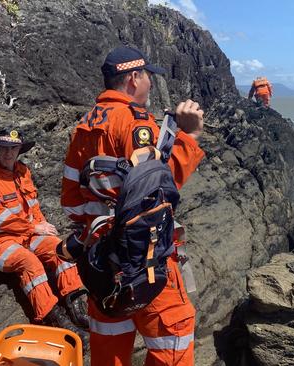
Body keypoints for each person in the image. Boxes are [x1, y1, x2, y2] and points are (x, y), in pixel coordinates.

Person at [59, 45, 205, 365]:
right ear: (133, 78)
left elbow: (70, 203)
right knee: (174, 339)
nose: (150, 83)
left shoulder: (83, 127)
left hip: (99, 263)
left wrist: (100, 229)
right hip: (142, 259)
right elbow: (157, 191)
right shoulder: (136, 123)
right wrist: (190, 136)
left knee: (109, 352)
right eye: (147, 77)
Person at [0, 127, 89, 340]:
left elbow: (33, 206)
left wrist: (43, 225)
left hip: (28, 236)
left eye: (13, 148)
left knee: (60, 249)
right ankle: (54, 318)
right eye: (4, 148)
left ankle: (78, 305)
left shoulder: (24, 171)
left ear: (19, 150)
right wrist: (34, 228)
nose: (8, 153)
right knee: (29, 263)